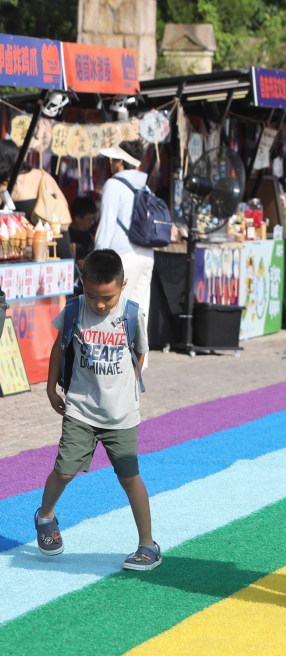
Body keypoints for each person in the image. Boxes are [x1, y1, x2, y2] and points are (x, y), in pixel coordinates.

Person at [37, 249, 157, 569]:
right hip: (80, 409)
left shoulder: (132, 314)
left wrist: (127, 386)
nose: (100, 304)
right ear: (82, 285)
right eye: (92, 296)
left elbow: (139, 353)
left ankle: (148, 544)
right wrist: (51, 389)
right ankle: (45, 516)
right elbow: (58, 346)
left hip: (121, 415)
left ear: (123, 284)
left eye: (107, 297)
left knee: (130, 477)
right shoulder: (75, 309)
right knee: (64, 470)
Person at [94, 141, 154, 326]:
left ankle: (117, 355)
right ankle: (140, 355)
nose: (111, 163)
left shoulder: (114, 184)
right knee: (139, 315)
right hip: (146, 254)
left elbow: (106, 225)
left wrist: (97, 259)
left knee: (114, 317)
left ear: (120, 162)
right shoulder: (145, 185)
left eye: (113, 159)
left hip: (122, 256)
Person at [68, 196, 98, 269]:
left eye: (94, 219)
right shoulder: (70, 237)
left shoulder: (91, 230)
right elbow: (82, 264)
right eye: (89, 219)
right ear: (77, 218)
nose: (92, 222)